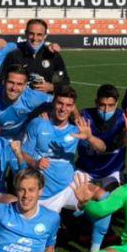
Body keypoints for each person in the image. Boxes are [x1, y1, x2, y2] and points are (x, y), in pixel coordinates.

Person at [16, 85, 106, 214]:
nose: (63, 108)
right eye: (60, 103)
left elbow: (102, 148)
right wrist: (35, 163)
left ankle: (90, 232)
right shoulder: (38, 124)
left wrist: (90, 137)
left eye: (68, 105)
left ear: (73, 107)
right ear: (54, 103)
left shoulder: (76, 130)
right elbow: (23, 153)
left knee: (103, 197)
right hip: (43, 193)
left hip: (68, 187)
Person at [76, 84, 127, 251]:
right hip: (86, 169)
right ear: (95, 102)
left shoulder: (124, 119)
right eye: (102, 105)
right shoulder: (85, 116)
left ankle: (96, 239)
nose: (106, 110)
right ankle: (90, 226)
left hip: (111, 170)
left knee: (111, 201)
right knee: (78, 202)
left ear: (117, 104)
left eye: (111, 106)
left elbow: (122, 142)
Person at [0, 66, 53, 140]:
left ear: (25, 86)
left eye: (19, 84)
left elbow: (58, 101)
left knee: (42, 124)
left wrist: (48, 112)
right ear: (3, 82)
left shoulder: (30, 97)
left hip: (20, 137)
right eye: (11, 82)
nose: (14, 88)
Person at [0, 18, 69, 91]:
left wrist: (52, 87)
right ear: (26, 33)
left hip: (46, 101)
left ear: (45, 36)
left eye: (39, 34)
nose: (35, 38)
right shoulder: (14, 55)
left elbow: (65, 81)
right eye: (31, 34)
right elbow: (2, 79)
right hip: (19, 101)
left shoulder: (53, 55)